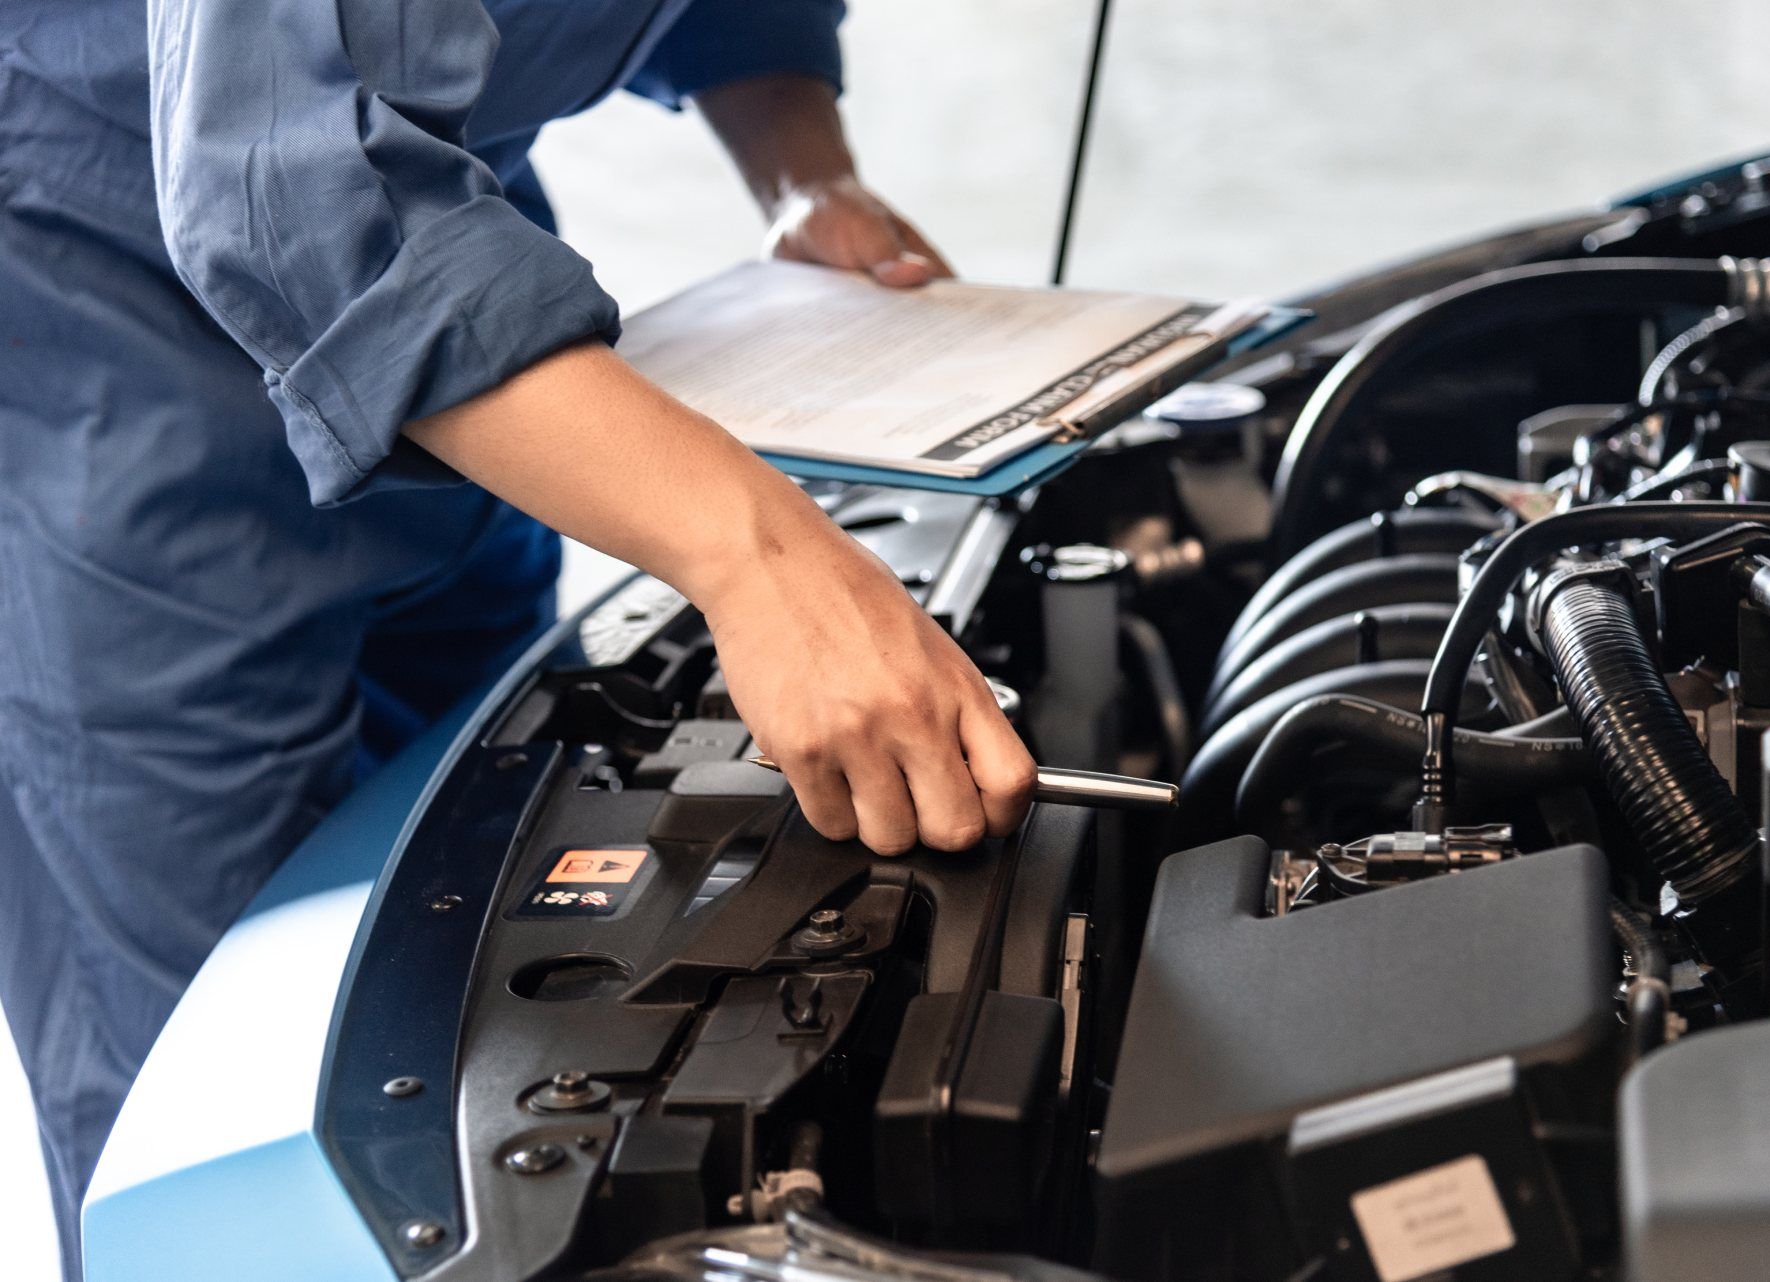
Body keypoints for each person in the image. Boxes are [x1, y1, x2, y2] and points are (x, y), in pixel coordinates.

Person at [0, 1, 1037, 1272]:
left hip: (467, 353)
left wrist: (802, 174)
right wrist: (758, 558)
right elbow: (290, 170)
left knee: (470, 949)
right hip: (101, 333)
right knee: (215, 1094)